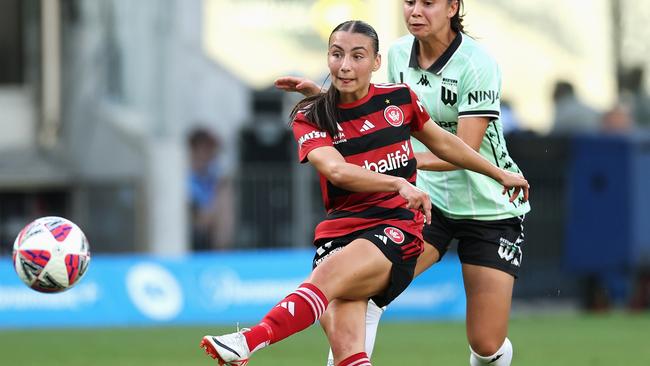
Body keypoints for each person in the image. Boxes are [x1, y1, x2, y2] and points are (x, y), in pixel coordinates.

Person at [201, 20, 529, 366]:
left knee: (328, 280)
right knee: (347, 352)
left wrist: (497, 173)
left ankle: (247, 341)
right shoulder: (309, 115)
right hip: (341, 231)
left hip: (397, 227)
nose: (345, 65)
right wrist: (398, 181)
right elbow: (337, 169)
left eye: (357, 56)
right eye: (337, 54)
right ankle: (251, 344)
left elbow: (448, 144)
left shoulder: (399, 99)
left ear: (375, 62)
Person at [188, 127, 235, 251]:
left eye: (212, 150)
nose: (211, 155)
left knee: (225, 195)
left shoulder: (212, 176)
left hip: (211, 229)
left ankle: (222, 250)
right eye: (206, 149)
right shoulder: (184, 177)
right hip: (192, 229)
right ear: (194, 150)